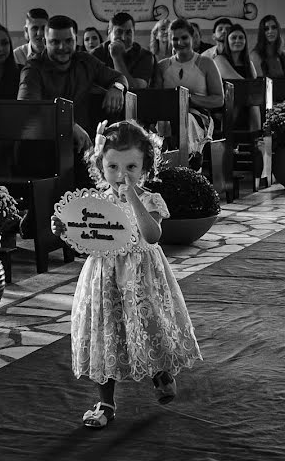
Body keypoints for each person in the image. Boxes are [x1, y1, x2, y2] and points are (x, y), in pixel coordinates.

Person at [54, 120, 202, 429]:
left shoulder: (151, 200)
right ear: (101, 165)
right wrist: (64, 229)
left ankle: (160, 370)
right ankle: (105, 401)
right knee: (106, 332)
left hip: (142, 277)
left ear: (146, 166)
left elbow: (152, 235)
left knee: (148, 323)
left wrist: (132, 195)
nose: (122, 175)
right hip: (103, 277)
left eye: (131, 166)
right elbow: (87, 239)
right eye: (113, 166)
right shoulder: (95, 205)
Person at [18, 14, 128, 185]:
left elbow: (119, 78)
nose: (63, 47)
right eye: (55, 42)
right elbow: (28, 108)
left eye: (68, 41)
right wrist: (67, 125)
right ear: (45, 42)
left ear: (75, 39)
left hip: (81, 150)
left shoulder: (84, 61)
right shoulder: (33, 68)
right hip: (44, 149)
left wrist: (117, 88)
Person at [151, 18, 225, 165]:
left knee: (187, 120)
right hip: (167, 117)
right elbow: (156, 99)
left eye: (184, 38)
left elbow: (219, 99)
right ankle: (163, 165)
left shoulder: (206, 63)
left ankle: (191, 161)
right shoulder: (162, 66)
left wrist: (189, 99)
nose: (180, 43)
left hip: (198, 115)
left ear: (193, 37)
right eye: (175, 39)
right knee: (159, 126)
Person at [91, 12, 155, 89]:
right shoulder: (96, 54)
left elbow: (136, 88)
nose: (123, 38)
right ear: (109, 33)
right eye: (119, 32)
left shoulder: (145, 55)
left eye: (128, 33)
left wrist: (117, 57)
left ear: (134, 33)